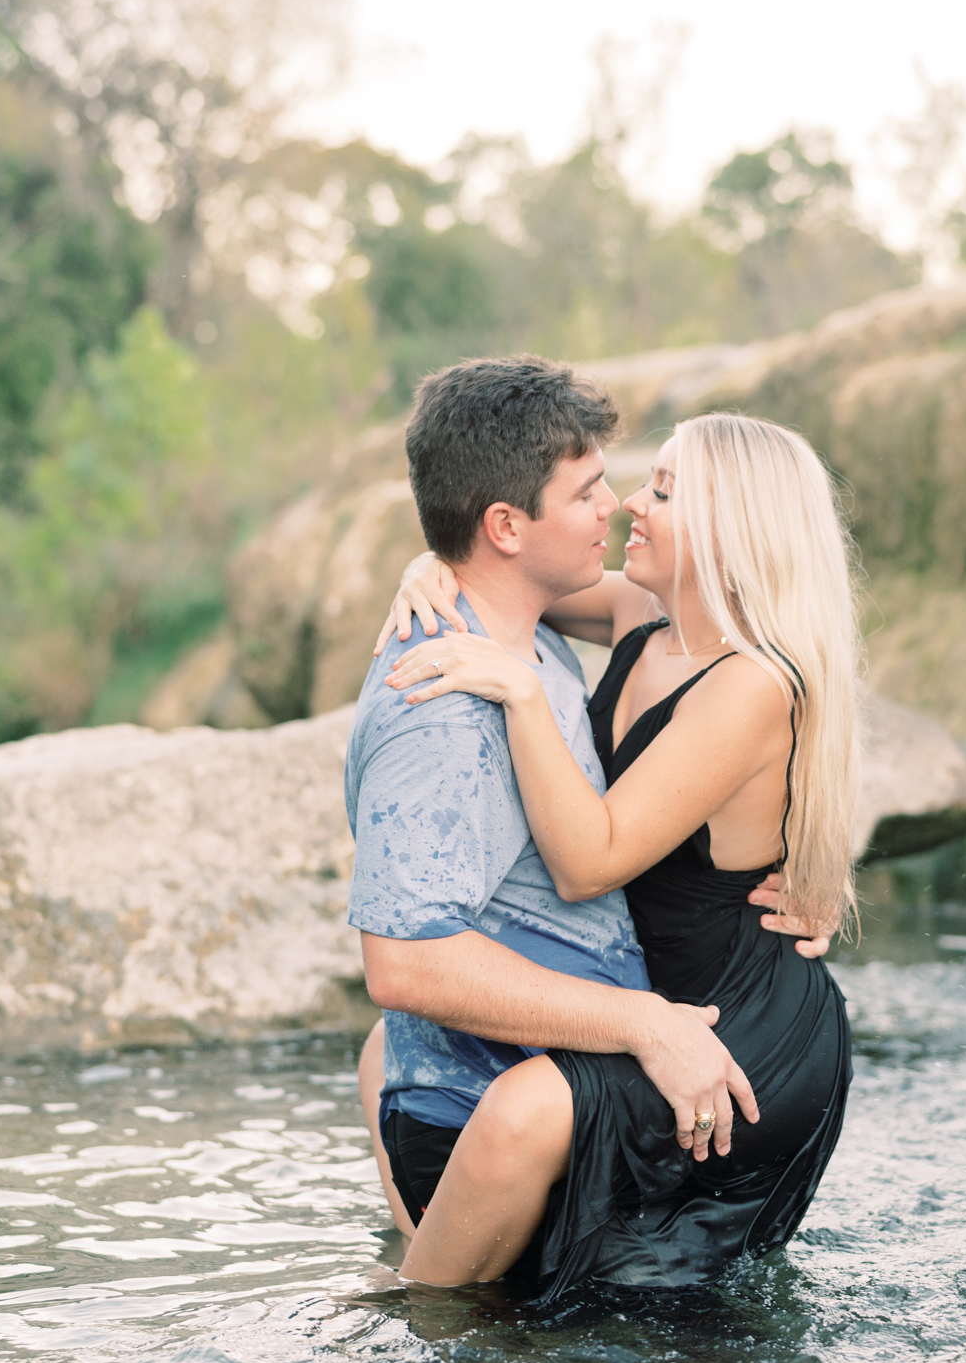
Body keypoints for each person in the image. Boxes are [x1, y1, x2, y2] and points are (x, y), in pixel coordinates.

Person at [349, 356, 827, 1287]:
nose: (621, 505)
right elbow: (491, 561)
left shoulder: (734, 674)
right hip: (653, 996)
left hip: (729, 1006)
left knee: (527, 1135)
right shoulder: (629, 618)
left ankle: (423, 1292)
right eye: (602, 487)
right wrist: (432, 561)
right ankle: (432, 1286)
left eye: (655, 488)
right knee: (400, 1062)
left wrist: (517, 683)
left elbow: (596, 856)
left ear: (732, 534)